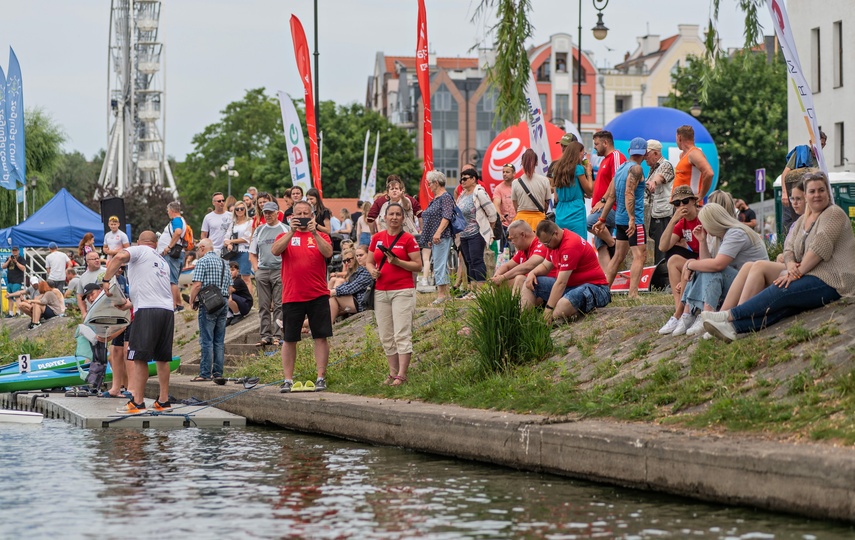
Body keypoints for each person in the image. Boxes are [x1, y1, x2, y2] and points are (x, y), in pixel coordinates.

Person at [703, 171, 855, 342]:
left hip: (834, 279)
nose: (817, 195)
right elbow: (789, 250)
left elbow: (818, 249)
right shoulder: (802, 220)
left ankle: (728, 315)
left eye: (821, 190)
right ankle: (732, 328)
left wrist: (793, 274)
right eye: (812, 191)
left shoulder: (833, 213)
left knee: (783, 288)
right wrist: (790, 266)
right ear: (806, 194)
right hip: (810, 273)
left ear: (828, 192)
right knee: (787, 307)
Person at [101, 230, 175, 414]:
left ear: (140, 242)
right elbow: (154, 290)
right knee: (162, 358)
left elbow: (119, 256)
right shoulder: (163, 262)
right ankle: (163, 401)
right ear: (155, 244)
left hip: (147, 311)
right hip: (166, 311)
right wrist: (129, 304)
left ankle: (137, 402)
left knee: (139, 357)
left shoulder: (139, 250)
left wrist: (106, 279)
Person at [677, 203, 769, 337]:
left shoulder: (735, 233)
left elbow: (717, 265)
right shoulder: (723, 235)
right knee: (705, 268)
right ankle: (691, 313)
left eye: (704, 223)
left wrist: (689, 265)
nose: (704, 228)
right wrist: (702, 241)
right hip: (742, 281)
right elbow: (707, 263)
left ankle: (705, 315)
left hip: (753, 284)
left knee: (710, 269)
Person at [271, 200, 333, 393]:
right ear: (292, 216)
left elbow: (328, 252)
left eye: (307, 213)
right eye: (299, 214)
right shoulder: (285, 235)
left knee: (320, 337)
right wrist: (291, 232)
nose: (303, 216)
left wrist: (314, 232)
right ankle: (288, 379)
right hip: (292, 295)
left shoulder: (321, 235)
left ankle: (321, 377)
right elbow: (275, 251)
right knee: (289, 339)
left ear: (313, 216)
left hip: (318, 294)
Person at [366, 203, 423, 386]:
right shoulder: (377, 238)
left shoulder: (408, 239)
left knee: (401, 333)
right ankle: (392, 372)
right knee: (386, 335)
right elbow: (369, 261)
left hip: (402, 290)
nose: (395, 217)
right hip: (381, 291)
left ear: (403, 217)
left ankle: (402, 374)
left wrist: (398, 262)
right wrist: (372, 271)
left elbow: (418, 265)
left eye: (398, 214)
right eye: (391, 214)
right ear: (384, 217)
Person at [521, 221, 611, 324]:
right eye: (543, 243)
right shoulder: (553, 243)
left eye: (547, 243)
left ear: (555, 233)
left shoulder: (570, 244)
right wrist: (533, 273)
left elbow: (561, 283)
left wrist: (548, 310)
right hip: (571, 287)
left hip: (596, 288)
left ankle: (547, 321)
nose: (546, 247)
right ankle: (523, 322)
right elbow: (545, 266)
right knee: (529, 283)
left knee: (563, 304)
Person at [593, 137, 648, 298]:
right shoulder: (637, 170)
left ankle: (603, 292)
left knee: (618, 256)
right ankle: (633, 293)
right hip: (633, 221)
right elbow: (628, 193)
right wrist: (632, 218)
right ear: (644, 153)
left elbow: (610, 196)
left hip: (619, 220)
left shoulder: (621, 168)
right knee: (640, 255)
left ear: (630, 152)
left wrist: (602, 219)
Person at [657, 186, 702, 335]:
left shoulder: (703, 217)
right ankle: (680, 313)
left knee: (681, 264)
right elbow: (663, 246)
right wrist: (673, 220)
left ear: (694, 201)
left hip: (708, 259)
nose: (681, 206)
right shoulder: (682, 223)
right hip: (696, 260)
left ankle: (680, 314)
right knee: (672, 260)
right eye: (677, 203)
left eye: (685, 201)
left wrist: (686, 273)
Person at [188, 239, 231, 382]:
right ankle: (217, 372)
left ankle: (205, 373)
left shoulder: (202, 261)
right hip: (224, 301)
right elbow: (230, 288)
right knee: (219, 340)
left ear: (202, 248)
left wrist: (191, 300)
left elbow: (197, 285)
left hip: (209, 303)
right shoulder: (224, 263)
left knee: (207, 340)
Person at [249, 201, 290, 347]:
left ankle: (278, 335)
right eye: (265, 212)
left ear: (277, 212)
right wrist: (256, 270)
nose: (267, 215)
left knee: (279, 304)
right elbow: (252, 253)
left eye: (270, 212)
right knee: (263, 304)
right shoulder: (259, 230)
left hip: (279, 269)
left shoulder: (285, 229)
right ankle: (265, 335)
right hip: (263, 270)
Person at [586, 130, 627, 269]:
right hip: (601, 207)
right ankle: (607, 281)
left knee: (591, 223)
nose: (595, 147)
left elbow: (617, 179)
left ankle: (613, 244)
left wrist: (603, 201)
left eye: (596, 144)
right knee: (601, 247)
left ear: (606, 142)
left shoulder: (616, 156)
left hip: (611, 207)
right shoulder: (605, 160)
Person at [456, 166, 497, 294]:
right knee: (468, 261)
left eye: (465, 179)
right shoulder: (462, 195)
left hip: (476, 232)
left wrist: (489, 228)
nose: (462, 182)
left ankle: (480, 290)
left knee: (477, 260)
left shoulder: (479, 192)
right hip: (464, 233)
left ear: (474, 179)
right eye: (461, 180)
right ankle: (472, 289)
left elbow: (492, 212)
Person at [490, 220, 556, 292]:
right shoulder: (523, 248)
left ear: (523, 235)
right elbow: (507, 266)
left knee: (520, 278)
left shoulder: (541, 244)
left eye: (513, 238)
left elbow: (528, 265)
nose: (512, 242)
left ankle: (517, 303)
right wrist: (496, 276)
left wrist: (503, 277)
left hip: (549, 284)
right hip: (533, 284)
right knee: (501, 283)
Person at [420, 170, 455, 304]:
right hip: (436, 237)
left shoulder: (445, 197)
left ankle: (441, 295)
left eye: (429, 184)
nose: (428, 187)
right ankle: (446, 294)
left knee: (439, 265)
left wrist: (438, 232)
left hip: (441, 236)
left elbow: (447, 216)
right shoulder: (437, 198)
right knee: (441, 265)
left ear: (436, 183)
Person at [780, 130, 826, 233]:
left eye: (821, 144)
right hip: (793, 191)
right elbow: (785, 173)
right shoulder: (800, 153)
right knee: (789, 223)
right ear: (810, 142)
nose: (818, 147)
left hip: (808, 195)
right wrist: (784, 193)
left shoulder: (820, 160)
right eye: (816, 144)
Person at [549, 141, 593, 238]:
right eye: (583, 153)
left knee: (562, 243)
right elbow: (590, 191)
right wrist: (589, 172)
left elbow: (556, 198)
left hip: (561, 211)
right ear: (577, 153)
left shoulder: (557, 169)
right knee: (579, 244)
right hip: (576, 211)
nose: (583, 156)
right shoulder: (578, 169)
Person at [644, 139, 676, 265]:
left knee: (661, 251)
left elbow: (661, 177)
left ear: (656, 154)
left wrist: (653, 182)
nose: (645, 157)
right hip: (655, 214)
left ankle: (662, 279)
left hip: (663, 215)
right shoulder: (652, 168)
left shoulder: (666, 165)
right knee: (657, 249)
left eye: (647, 154)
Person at [327, 246, 374, 325]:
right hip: (354, 299)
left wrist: (332, 291)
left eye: (361, 255)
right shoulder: (361, 269)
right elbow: (348, 284)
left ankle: (328, 325)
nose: (358, 258)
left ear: (369, 255)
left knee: (333, 295)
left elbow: (352, 288)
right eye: (357, 256)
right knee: (331, 297)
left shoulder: (368, 271)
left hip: (362, 303)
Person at [157, 201, 188, 311]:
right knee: (173, 280)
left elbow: (178, 232)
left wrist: (169, 247)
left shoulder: (176, 220)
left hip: (172, 254)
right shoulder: (181, 220)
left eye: (168, 210)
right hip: (176, 253)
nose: (167, 213)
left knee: (171, 280)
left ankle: (175, 305)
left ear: (172, 210)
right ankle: (177, 303)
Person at [511, 149, 551, 230]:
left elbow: (515, 205)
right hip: (539, 221)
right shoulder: (544, 180)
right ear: (536, 163)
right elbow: (547, 203)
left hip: (521, 222)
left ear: (522, 162)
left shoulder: (515, 182)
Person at [673, 124, 714, 202]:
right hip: (681, 204)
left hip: (690, 205)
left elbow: (709, 173)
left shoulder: (694, 153)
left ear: (679, 137)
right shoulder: (683, 155)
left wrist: (701, 195)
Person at [223, 200, 254, 294]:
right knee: (234, 278)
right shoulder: (233, 224)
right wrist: (228, 244)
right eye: (237, 209)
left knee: (245, 278)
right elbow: (226, 237)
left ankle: (249, 301)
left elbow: (247, 238)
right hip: (233, 253)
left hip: (244, 251)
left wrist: (231, 241)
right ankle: (237, 300)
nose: (239, 210)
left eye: (242, 208)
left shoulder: (250, 222)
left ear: (245, 210)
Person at [492, 163, 518, 242]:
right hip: (505, 225)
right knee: (505, 251)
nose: (504, 174)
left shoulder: (519, 185)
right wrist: (499, 214)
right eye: (503, 172)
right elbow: (496, 203)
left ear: (514, 174)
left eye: (507, 172)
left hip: (518, 223)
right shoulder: (498, 188)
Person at [76, 251, 106, 317]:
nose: (97, 260)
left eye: (98, 258)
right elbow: (79, 296)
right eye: (94, 259)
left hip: (107, 310)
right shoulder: (83, 277)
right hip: (92, 313)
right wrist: (84, 312)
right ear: (87, 262)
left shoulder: (107, 272)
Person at [227, 261, 253, 325]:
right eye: (228, 270)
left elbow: (230, 290)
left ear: (238, 271)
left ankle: (237, 314)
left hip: (245, 304)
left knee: (227, 297)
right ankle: (229, 316)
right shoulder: (229, 281)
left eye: (233, 270)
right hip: (238, 303)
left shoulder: (238, 281)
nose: (230, 272)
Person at [3, 247, 27, 317]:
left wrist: (16, 262)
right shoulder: (9, 258)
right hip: (10, 280)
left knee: (17, 296)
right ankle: (10, 312)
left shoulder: (21, 259)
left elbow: (23, 268)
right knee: (9, 297)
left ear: (18, 251)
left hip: (17, 280)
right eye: (13, 251)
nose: (14, 252)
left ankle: (18, 312)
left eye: (16, 251)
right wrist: (9, 261)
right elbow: (3, 267)